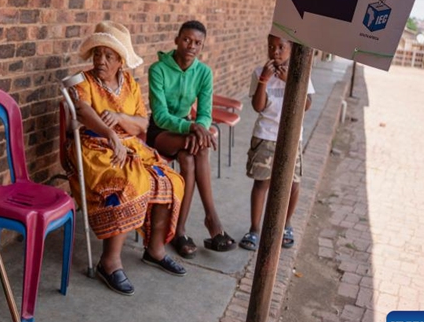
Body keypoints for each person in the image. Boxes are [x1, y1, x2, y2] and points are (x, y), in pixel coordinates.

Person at [65, 21, 187, 296]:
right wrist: (110, 133)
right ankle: (109, 262)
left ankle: (155, 250)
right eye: (98, 53)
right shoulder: (82, 81)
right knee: (126, 182)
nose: (101, 60)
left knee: (168, 180)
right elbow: (82, 112)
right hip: (92, 146)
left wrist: (120, 119)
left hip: (130, 146)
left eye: (109, 56)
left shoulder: (130, 83)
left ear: (121, 60)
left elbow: (143, 124)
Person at [147, 20, 236, 258]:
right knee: (199, 147)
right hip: (161, 131)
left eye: (198, 43)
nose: (191, 46)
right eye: (186, 39)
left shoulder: (204, 72)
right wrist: (192, 127)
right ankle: (212, 220)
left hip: (189, 130)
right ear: (176, 40)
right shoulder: (158, 70)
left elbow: (205, 113)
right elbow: (161, 115)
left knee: (190, 157)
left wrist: (200, 128)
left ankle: (179, 231)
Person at [239, 35, 314, 251]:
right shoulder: (259, 72)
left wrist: (290, 81)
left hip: (291, 137)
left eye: (281, 47)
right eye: (271, 47)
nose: (276, 52)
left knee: (293, 184)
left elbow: (306, 105)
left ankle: (286, 225)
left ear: (291, 48)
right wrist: (264, 79)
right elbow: (258, 106)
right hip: (265, 135)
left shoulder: (301, 71)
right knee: (262, 183)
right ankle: (254, 229)